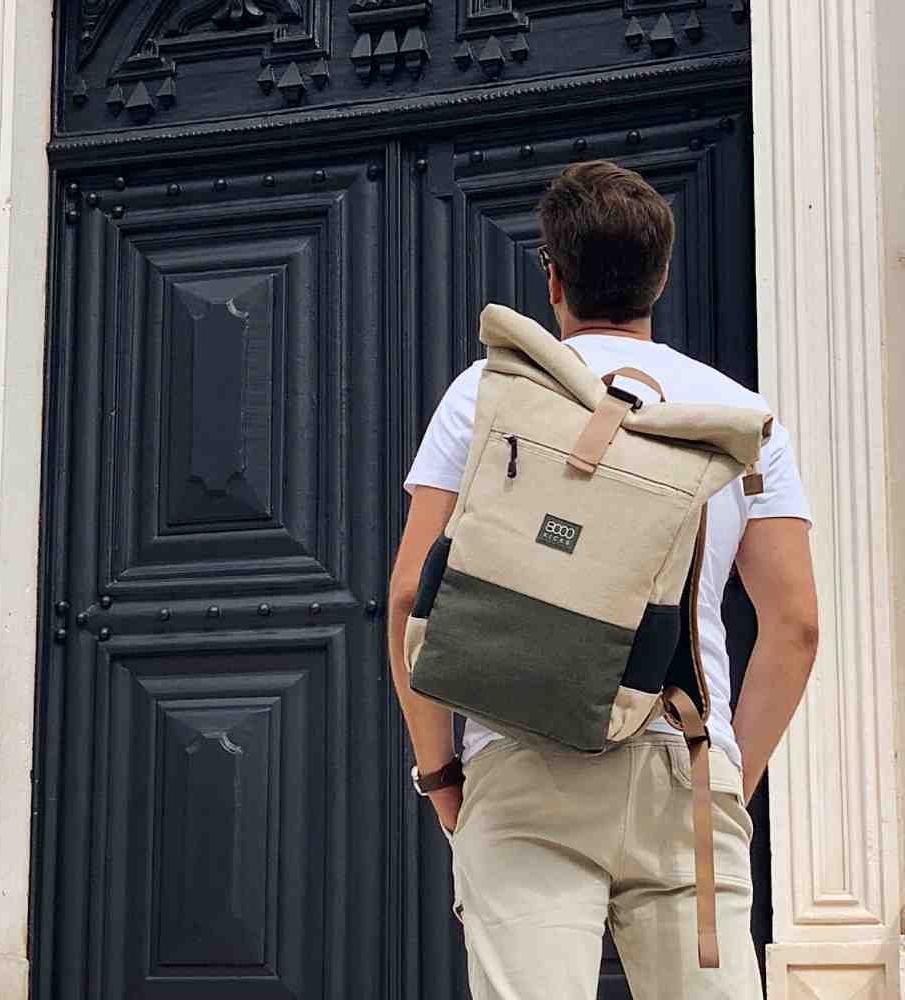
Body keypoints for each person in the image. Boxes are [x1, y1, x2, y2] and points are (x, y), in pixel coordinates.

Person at [387, 160, 818, 999]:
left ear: (551, 272)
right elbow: (795, 626)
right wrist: (724, 780)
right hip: (683, 759)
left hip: (520, 751)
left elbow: (411, 595)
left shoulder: (487, 391)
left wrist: (441, 778)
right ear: (660, 276)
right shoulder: (739, 417)